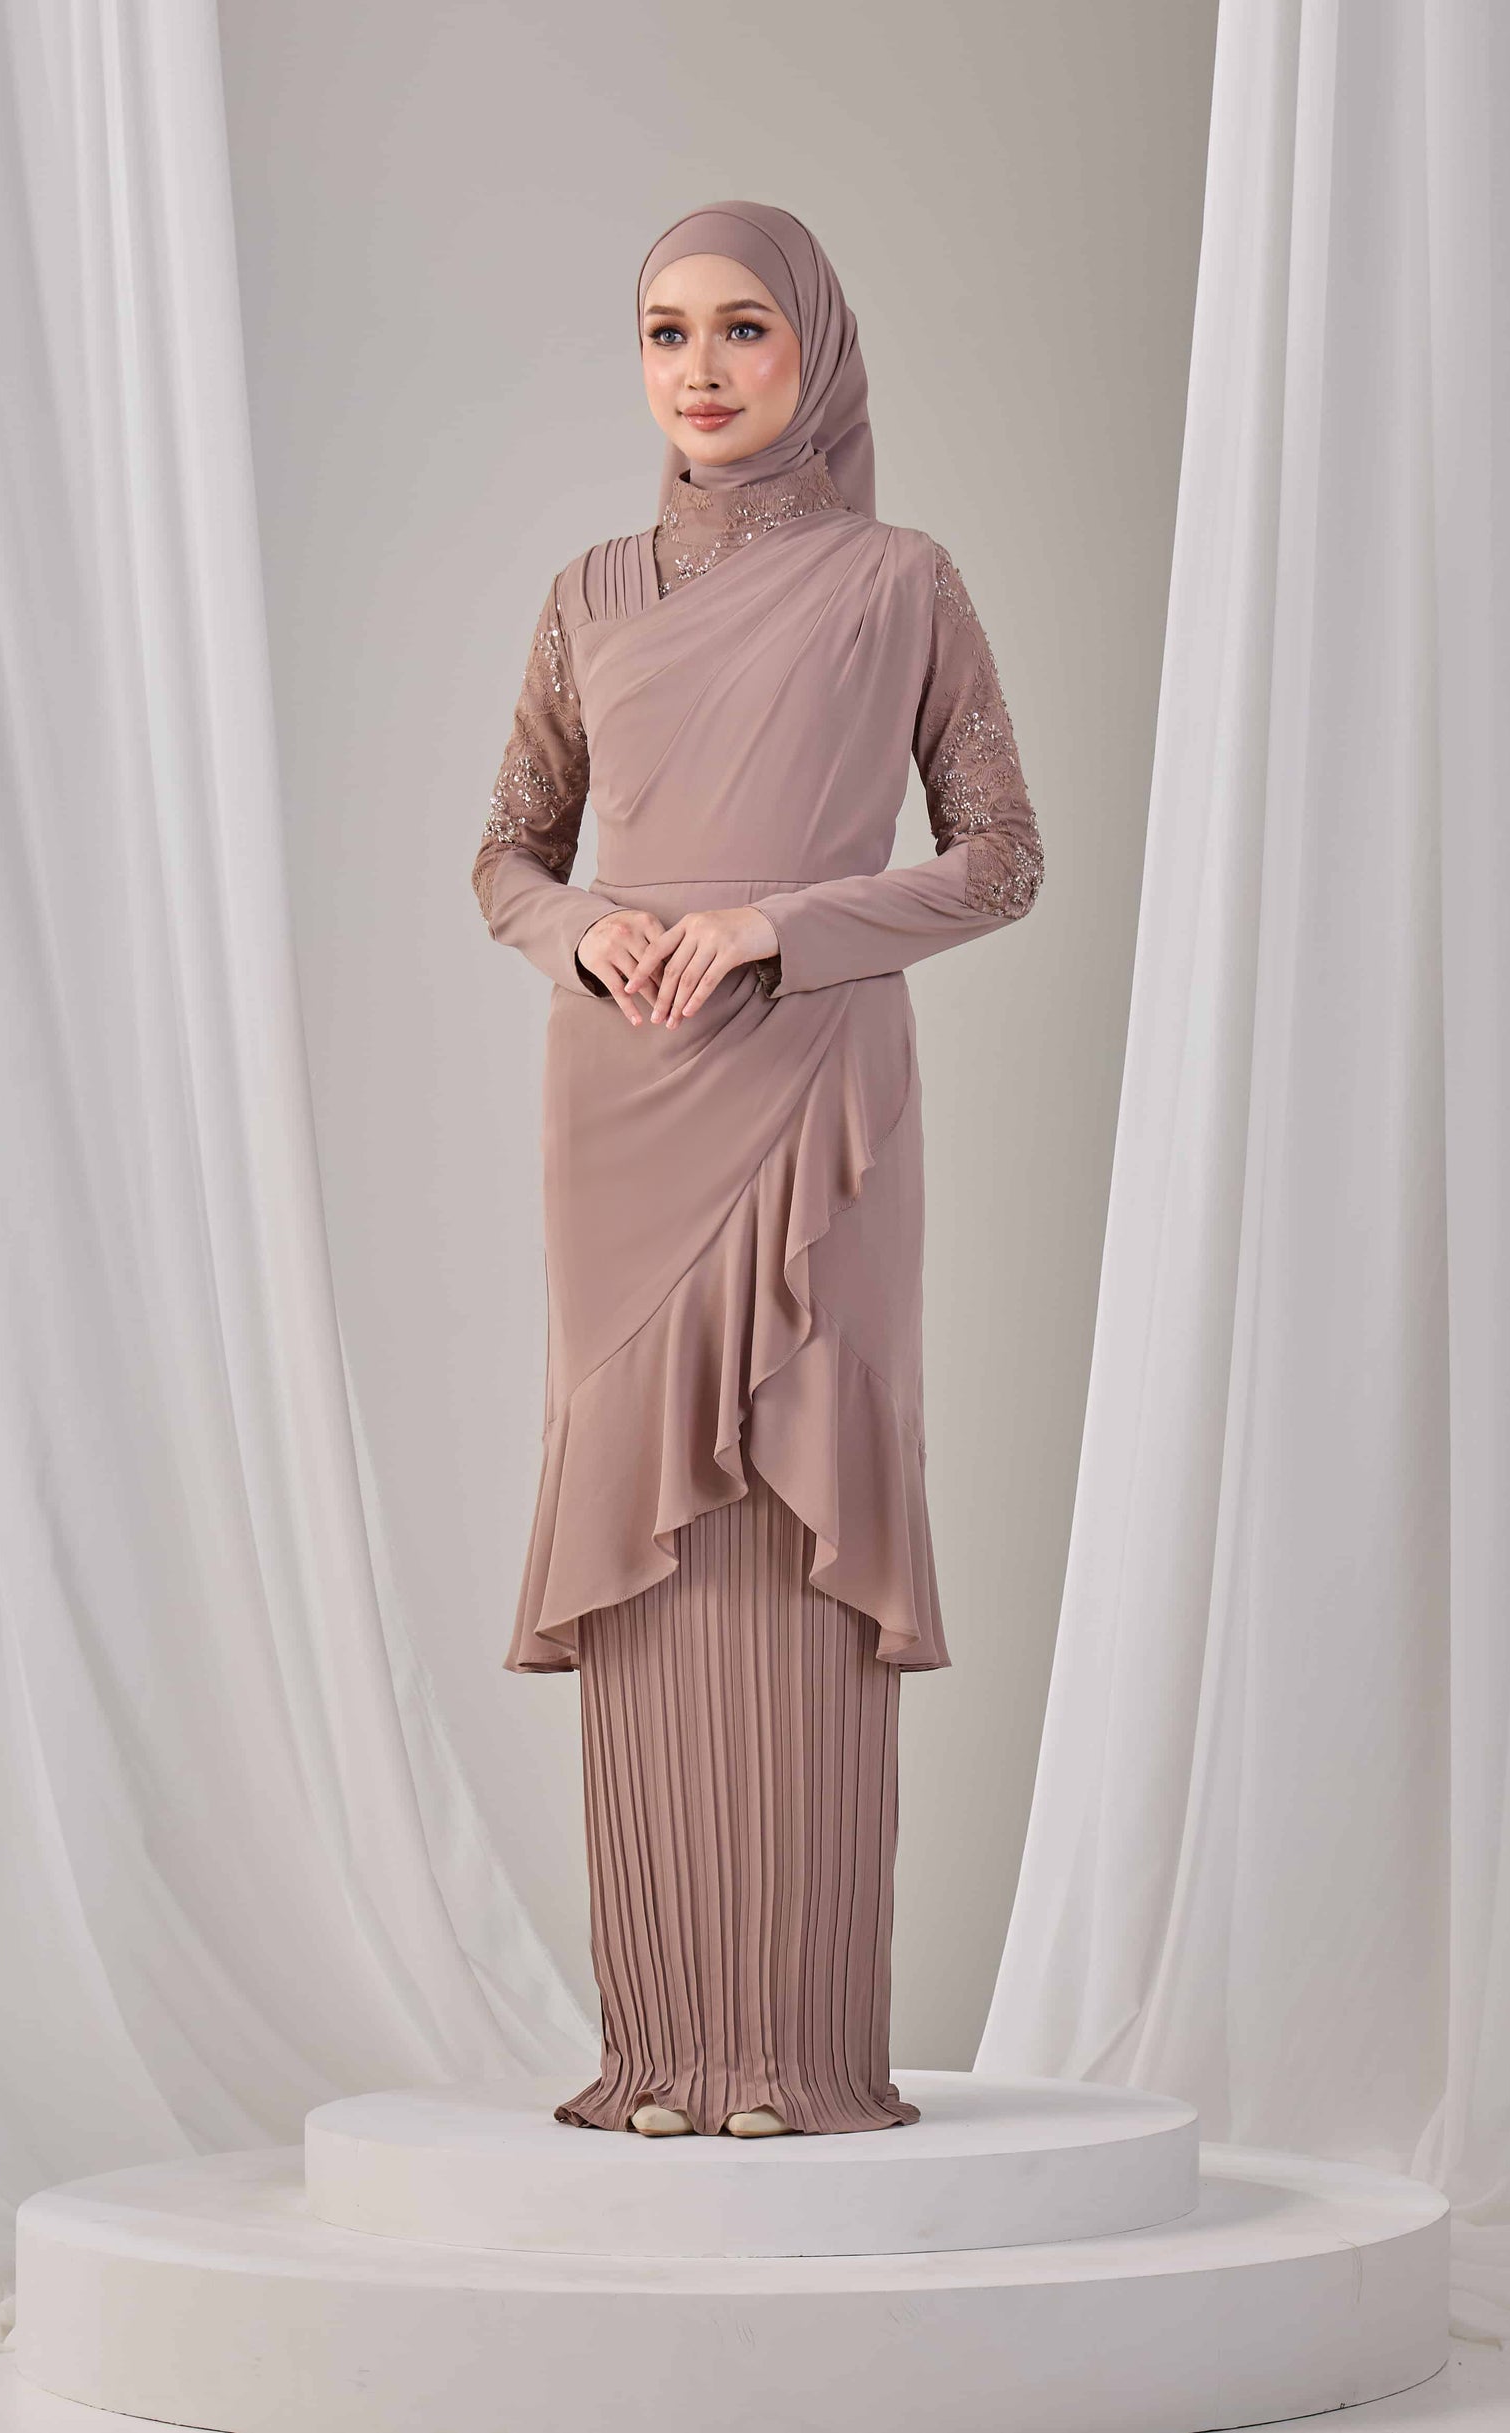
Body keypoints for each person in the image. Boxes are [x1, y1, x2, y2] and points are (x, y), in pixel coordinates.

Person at [470, 200, 1043, 2138]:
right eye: (664, 332)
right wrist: (586, 932)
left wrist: (776, 927)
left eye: (741, 329)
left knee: (803, 1520)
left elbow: (1000, 857)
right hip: (621, 1096)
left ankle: (794, 2055)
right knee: (644, 1541)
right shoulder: (586, 592)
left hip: (815, 1089)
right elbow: (507, 852)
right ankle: (659, 2050)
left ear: (816, 350)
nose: (699, 369)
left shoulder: (901, 579)